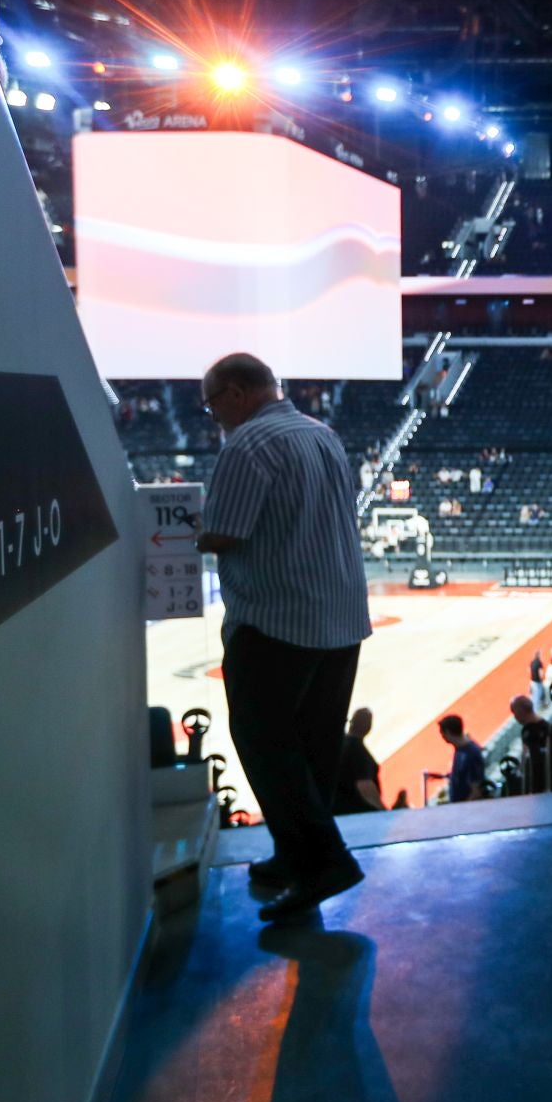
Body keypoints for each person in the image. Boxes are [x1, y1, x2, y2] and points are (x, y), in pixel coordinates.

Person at [197, 352, 372, 923]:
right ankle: (294, 855)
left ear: (235, 392)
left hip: (277, 619)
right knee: (314, 745)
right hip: (340, 617)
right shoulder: (323, 436)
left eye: (212, 405)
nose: (214, 416)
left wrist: (191, 528)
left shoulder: (247, 445)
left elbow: (223, 533)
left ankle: (323, 862)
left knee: (263, 740)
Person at [332, 707, 384, 815]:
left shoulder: (337, 743)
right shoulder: (360, 753)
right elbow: (366, 789)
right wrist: (384, 812)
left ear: (351, 723)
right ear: (368, 728)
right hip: (355, 812)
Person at [426, 715, 486, 803]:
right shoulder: (460, 749)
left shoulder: (471, 754)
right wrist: (441, 776)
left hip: (464, 808)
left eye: (442, 733)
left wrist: (461, 809)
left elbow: (476, 792)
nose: (442, 736)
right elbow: (460, 775)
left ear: (448, 732)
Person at [508, 694, 552, 795]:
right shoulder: (528, 729)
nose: (515, 717)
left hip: (543, 777)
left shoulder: (541, 729)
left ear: (520, 712)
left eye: (514, 713)